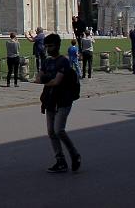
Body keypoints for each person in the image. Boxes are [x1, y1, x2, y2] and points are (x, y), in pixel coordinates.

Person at [37, 33, 81, 174]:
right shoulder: (47, 61)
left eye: (51, 46)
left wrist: (47, 79)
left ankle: (74, 154)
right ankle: (60, 160)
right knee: (51, 132)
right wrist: (48, 79)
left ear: (57, 46)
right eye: (47, 46)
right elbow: (38, 78)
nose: (48, 49)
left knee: (59, 130)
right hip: (50, 100)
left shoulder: (63, 61)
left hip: (63, 100)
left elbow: (56, 81)